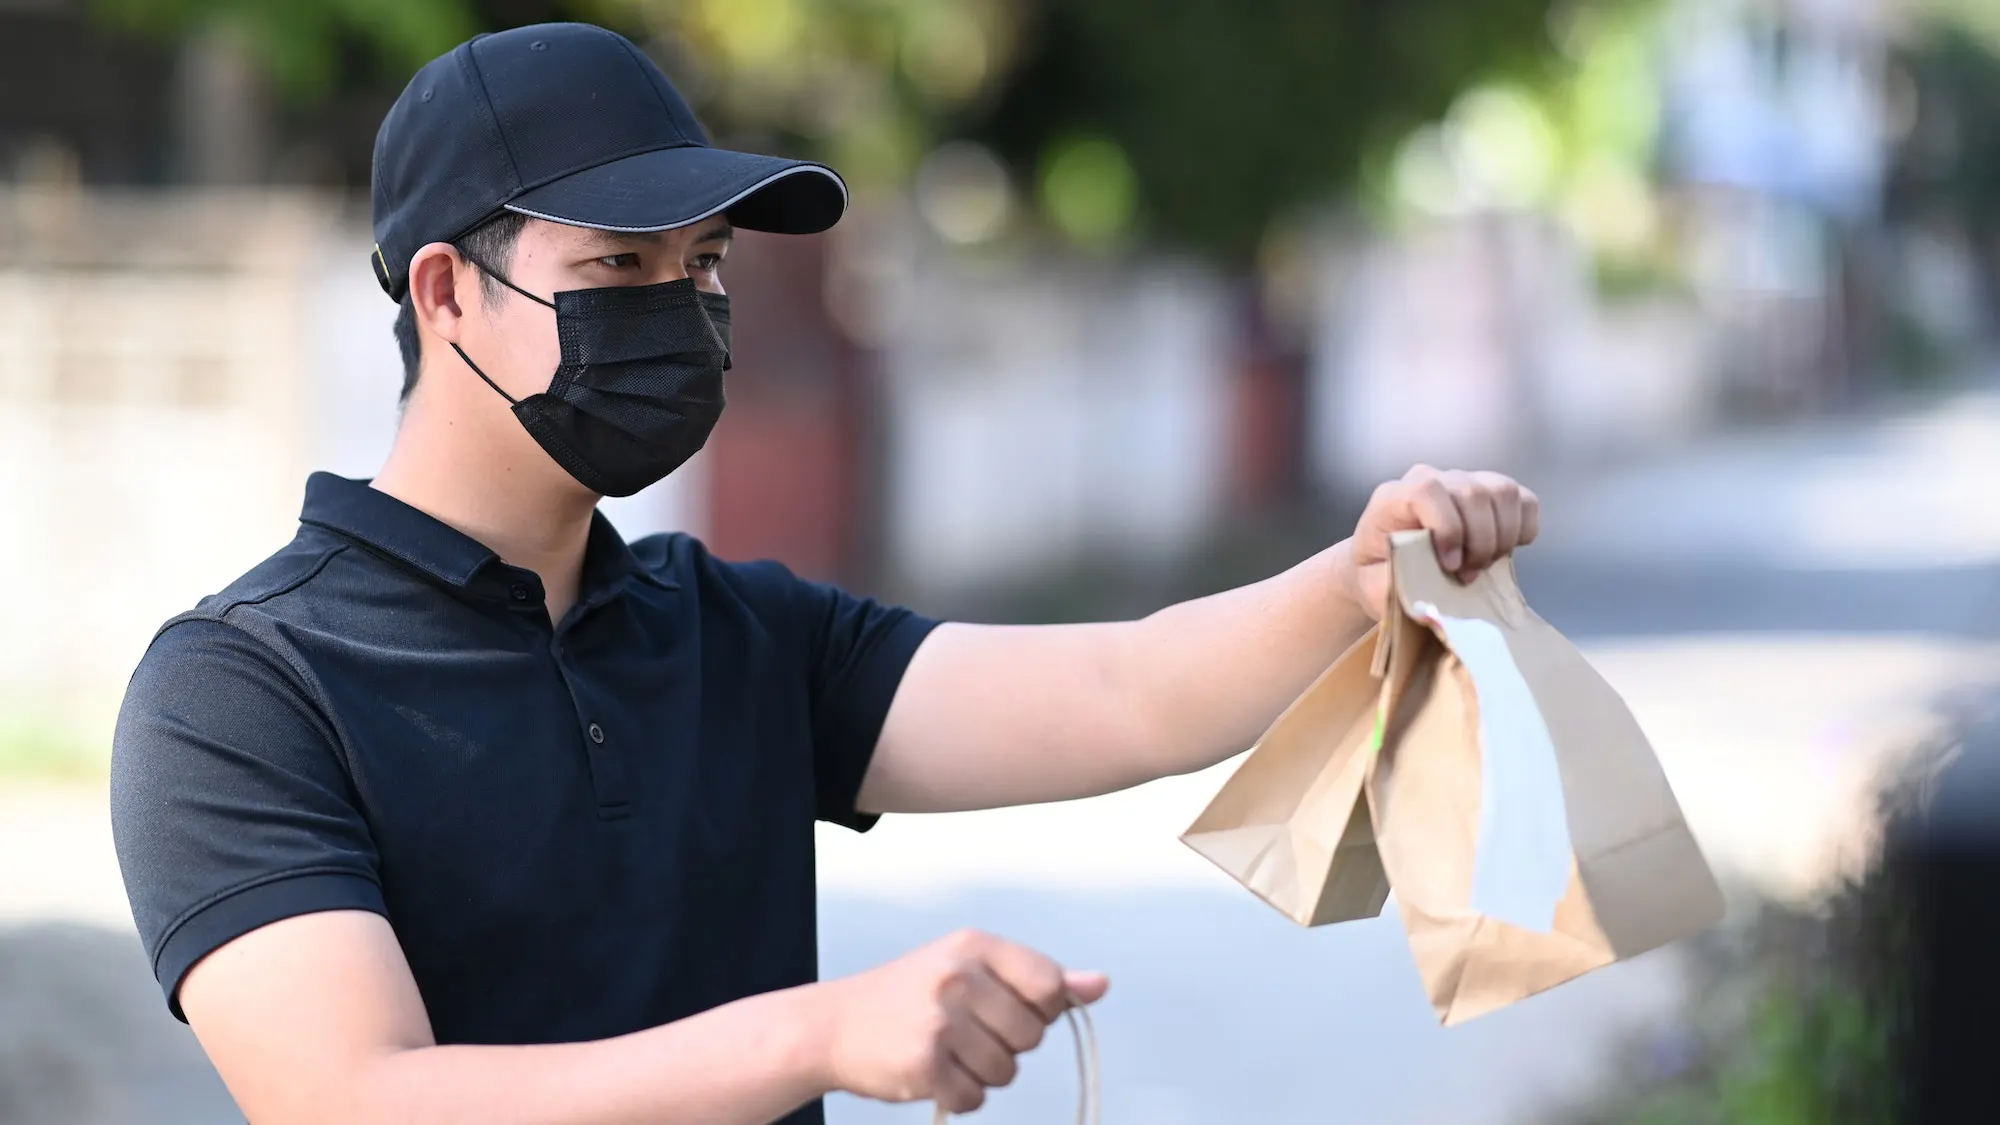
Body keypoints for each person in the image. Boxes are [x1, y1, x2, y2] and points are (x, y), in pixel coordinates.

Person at [109, 21, 1542, 1125]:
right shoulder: (240, 690)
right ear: (444, 291)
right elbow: (356, 1098)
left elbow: (1122, 691)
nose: (681, 310)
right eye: (619, 266)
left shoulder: (736, 632)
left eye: (706, 265)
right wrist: (817, 1035)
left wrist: (1355, 580)